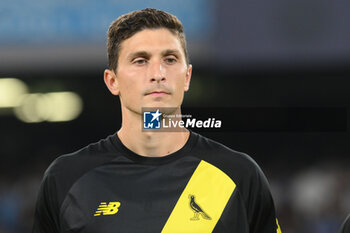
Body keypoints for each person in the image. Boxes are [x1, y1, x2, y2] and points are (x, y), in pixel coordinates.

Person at [32, 8, 282, 233]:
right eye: (140, 61)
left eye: (170, 59)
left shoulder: (238, 175)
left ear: (187, 76)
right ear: (112, 81)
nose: (157, 74)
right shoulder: (65, 178)